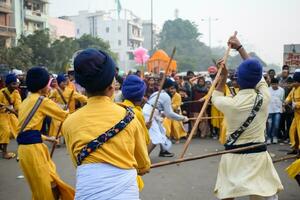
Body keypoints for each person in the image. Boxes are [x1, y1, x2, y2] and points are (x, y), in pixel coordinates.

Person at [62, 48, 150, 199]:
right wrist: (141, 168)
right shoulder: (129, 116)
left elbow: (79, 163)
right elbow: (143, 164)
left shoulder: (69, 122)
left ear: (83, 87)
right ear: (111, 87)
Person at [212, 35, 283, 200]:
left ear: (237, 80)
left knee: (227, 194)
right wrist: (240, 48)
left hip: (233, 158)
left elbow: (215, 97)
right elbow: (256, 72)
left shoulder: (231, 104)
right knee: (259, 193)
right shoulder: (265, 96)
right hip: (258, 157)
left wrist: (222, 77)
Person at [17, 67, 75, 200]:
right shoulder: (42, 101)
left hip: (27, 150)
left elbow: (25, 131)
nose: (49, 87)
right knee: (44, 189)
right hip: (33, 151)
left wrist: (47, 138)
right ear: (42, 86)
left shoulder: (25, 102)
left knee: (50, 183)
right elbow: (65, 116)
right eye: (48, 84)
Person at [120, 74, 151, 192]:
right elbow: (144, 140)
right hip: (130, 163)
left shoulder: (119, 108)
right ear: (141, 95)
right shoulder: (136, 113)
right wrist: (144, 166)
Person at [143, 78, 189, 157]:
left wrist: (161, 113)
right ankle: (144, 159)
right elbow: (170, 114)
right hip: (149, 115)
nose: (173, 91)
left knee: (162, 131)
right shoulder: (166, 96)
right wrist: (183, 118)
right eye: (171, 88)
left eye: (174, 88)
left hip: (151, 113)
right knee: (156, 138)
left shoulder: (158, 93)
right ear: (166, 88)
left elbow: (157, 107)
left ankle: (163, 151)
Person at [0, 74, 21, 159]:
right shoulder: (1, 92)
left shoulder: (16, 93)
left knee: (19, 131)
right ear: (7, 84)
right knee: (6, 132)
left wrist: (16, 111)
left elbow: (18, 106)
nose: (15, 86)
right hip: (2, 115)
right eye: (13, 84)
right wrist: (5, 108)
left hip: (12, 115)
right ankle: (4, 152)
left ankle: (22, 151)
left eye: (16, 83)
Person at [284, 69, 300, 154]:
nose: (293, 83)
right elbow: (289, 97)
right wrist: (286, 101)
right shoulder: (294, 89)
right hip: (296, 115)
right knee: (293, 131)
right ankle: (295, 148)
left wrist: (297, 104)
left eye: (295, 81)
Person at [267, 78, 285, 144]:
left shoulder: (281, 90)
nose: (274, 85)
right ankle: (268, 138)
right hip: (269, 110)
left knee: (276, 125)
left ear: (278, 84)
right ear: (271, 84)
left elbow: (282, 99)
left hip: (278, 110)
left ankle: (275, 137)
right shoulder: (268, 90)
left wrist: (283, 107)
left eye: (275, 84)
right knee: (269, 125)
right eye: (272, 84)